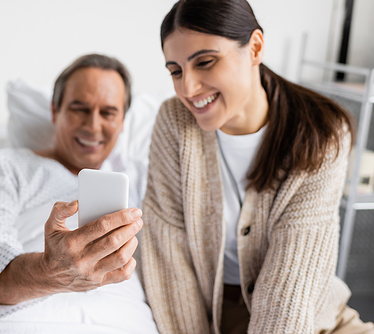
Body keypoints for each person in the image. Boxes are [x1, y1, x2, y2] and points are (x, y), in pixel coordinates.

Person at [140, 1, 374, 333]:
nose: (188, 89)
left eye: (205, 62)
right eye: (176, 71)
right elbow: (168, 256)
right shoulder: (174, 124)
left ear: (255, 48)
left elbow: (292, 287)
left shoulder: (322, 132)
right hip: (225, 314)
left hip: (313, 311)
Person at [0, 54, 157, 333]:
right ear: (55, 111)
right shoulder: (1, 166)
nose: (93, 126)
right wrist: (50, 272)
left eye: (108, 113)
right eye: (79, 108)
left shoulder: (146, 176)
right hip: (18, 319)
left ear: (122, 122)